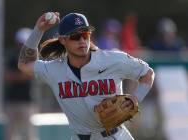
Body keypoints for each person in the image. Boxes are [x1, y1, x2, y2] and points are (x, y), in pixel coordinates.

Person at [18, 12, 155, 140]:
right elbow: (25, 63)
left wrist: (135, 98)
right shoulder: (55, 69)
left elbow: (147, 74)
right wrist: (38, 30)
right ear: (62, 40)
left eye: (85, 35)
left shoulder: (113, 59)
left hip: (114, 136)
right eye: (75, 36)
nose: (82, 41)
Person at [4, 27, 36, 140]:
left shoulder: (32, 58)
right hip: (12, 100)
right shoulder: (12, 58)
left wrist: (16, 76)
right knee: (9, 133)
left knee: (28, 134)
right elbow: (7, 76)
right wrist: (21, 76)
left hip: (26, 101)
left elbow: (28, 76)